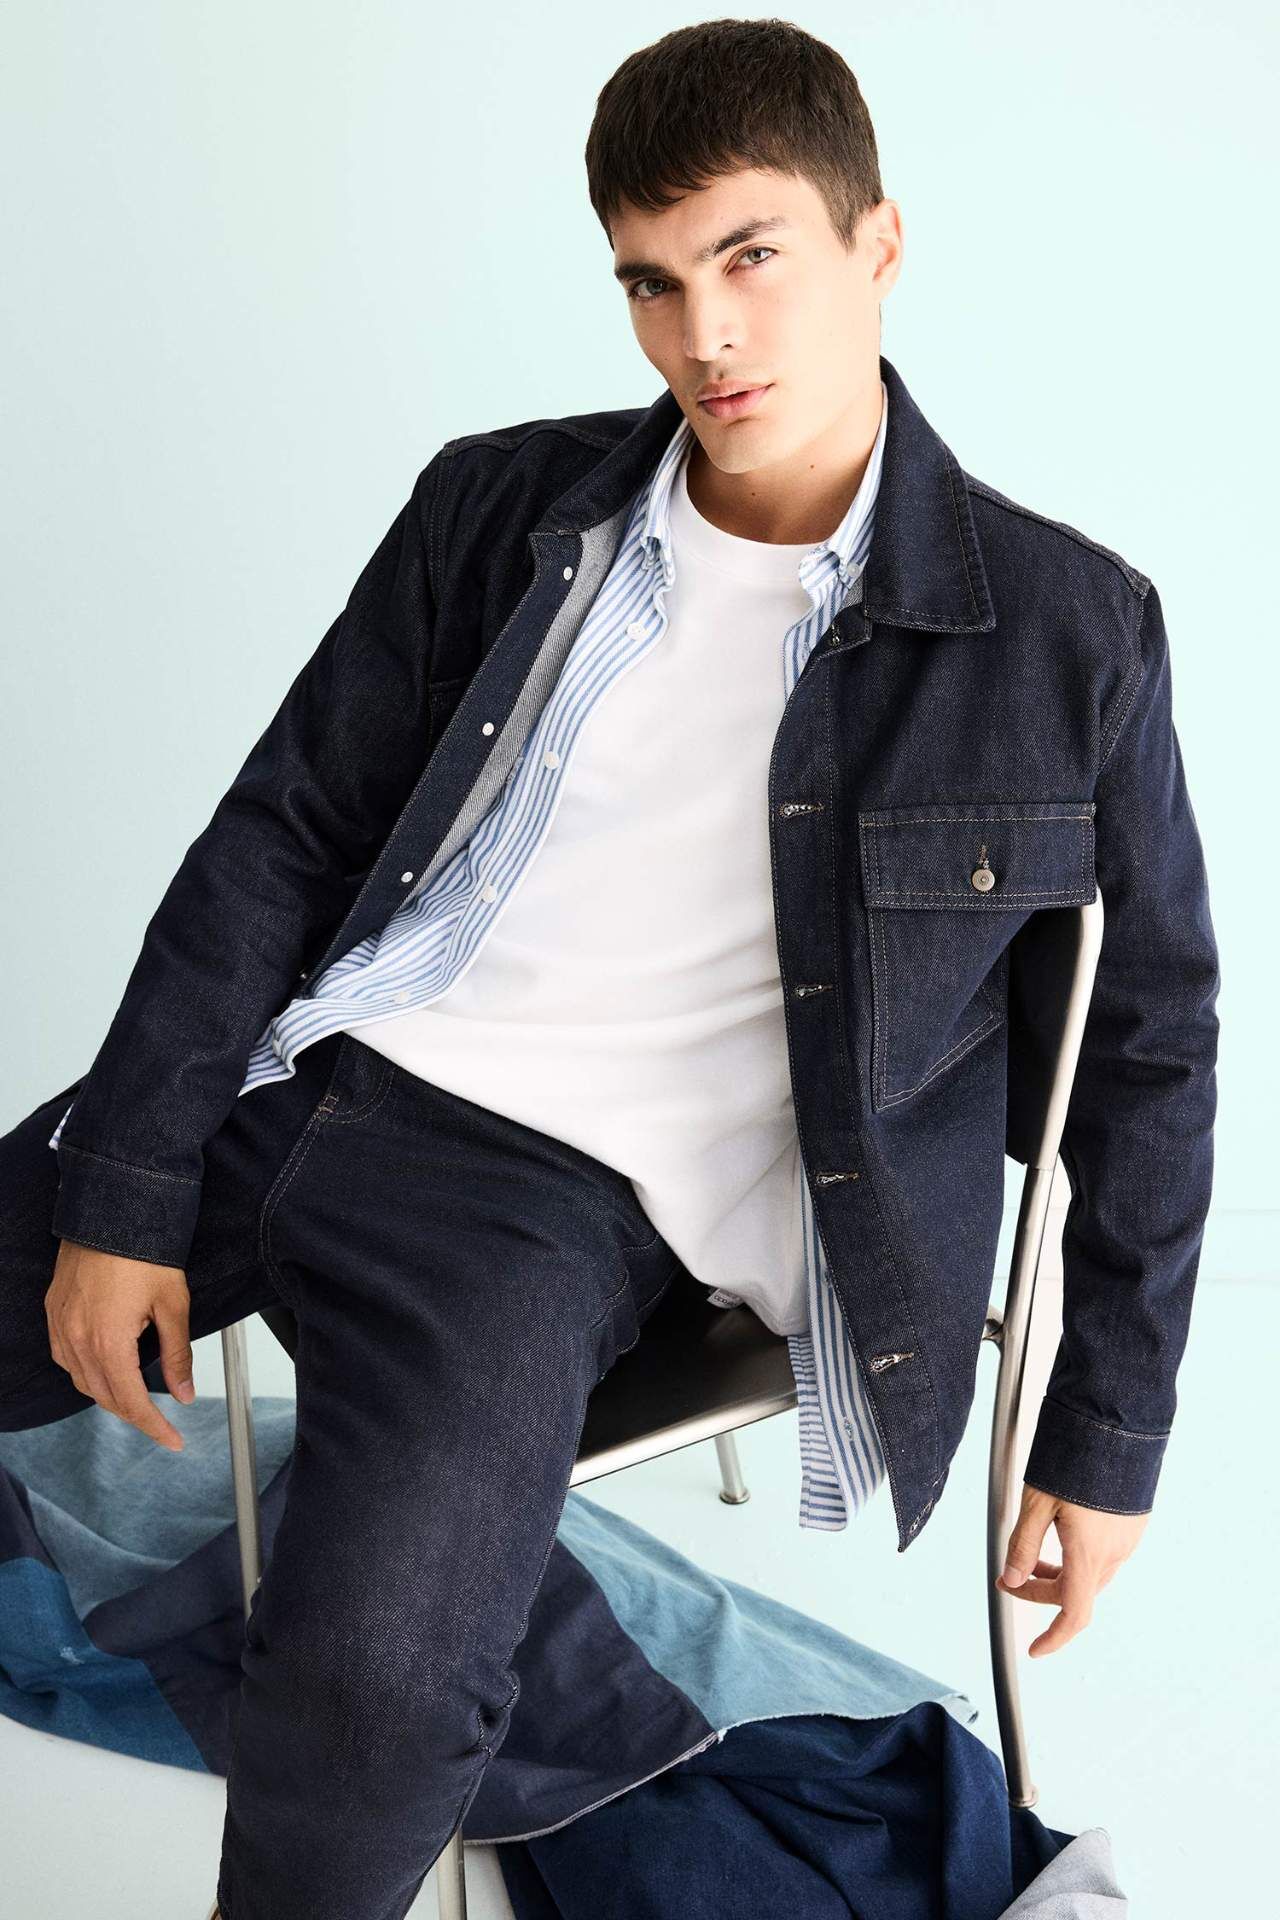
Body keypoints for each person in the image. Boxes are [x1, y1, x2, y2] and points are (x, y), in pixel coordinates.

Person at [0, 20, 1219, 1920]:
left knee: (373, 1689)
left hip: (546, 1201)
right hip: (309, 1068)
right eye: (652, 282)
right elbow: (282, 839)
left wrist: (1108, 1436)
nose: (703, 336)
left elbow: (1148, 1052)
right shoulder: (499, 510)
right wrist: (128, 1183)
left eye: (752, 257)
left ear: (879, 245)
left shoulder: (1066, 633)